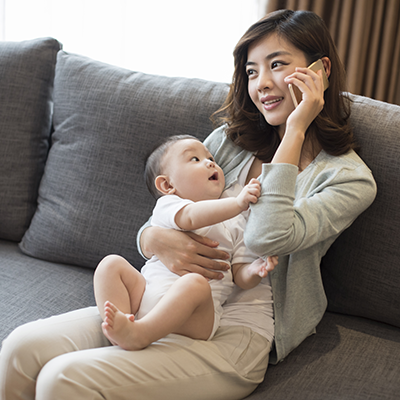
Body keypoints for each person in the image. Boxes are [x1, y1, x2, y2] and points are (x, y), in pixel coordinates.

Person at [0, 9, 376, 400]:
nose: (262, 83)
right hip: (161, 302)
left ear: (321, 69)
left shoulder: (348, 179)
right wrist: (154, 241)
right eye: (251, 71)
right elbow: (166, 210)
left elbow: (267, 236)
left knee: (63, 379)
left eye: (277, 65)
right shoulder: (230, 143)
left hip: (238, 333)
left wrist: (295, 130)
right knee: (19, 349)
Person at [93, 134, 277, 350]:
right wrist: (237, 203)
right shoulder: (169, 205)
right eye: (195, 159)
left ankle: (139, 334)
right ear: (167, 184)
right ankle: (122, 325)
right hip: (145, 297)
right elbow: (191, 217)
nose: (210, 162)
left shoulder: (238, 221)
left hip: (196, 318)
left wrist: (254, 271)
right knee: (110, 264)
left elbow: (240, 277)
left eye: (211, 159)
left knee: (195, 283)